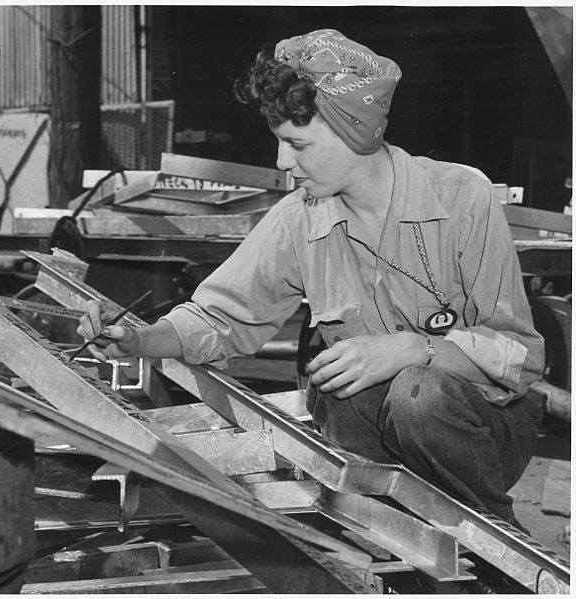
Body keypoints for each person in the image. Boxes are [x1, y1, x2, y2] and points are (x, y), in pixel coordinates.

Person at [77, 29, 545, 529]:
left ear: (354, 132)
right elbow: (220, 317)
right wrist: (141, 338)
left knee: (417, 394)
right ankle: (387, 536)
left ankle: (500, 550)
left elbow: (521, 358)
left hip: (488, 426)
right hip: (381, 428)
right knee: (336, 386)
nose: (282, 163)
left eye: (295, 143)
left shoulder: (461, 198)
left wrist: (417, 349)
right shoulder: (298, 219)